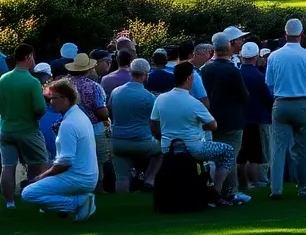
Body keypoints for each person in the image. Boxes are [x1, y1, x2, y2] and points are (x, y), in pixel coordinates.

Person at [150, 63, 242, 205]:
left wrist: (163, 138)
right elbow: (213, 125)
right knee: (228, 151)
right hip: (194, 148)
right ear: (189, 78)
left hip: (168, 147)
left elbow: (154, 124)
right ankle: (216, 191)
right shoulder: (193, 102)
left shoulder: (161, 99)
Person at [264, 18, 306, 199]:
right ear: (301, 35)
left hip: (281, 103)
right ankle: (304, 187)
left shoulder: (274, 56)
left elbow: (269, 82)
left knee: (278, 148)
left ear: (285, 35)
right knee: (304, 149)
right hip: (303, 103)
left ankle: (276, 188)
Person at [20, 80, 97, 221]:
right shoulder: (80, 116)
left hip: (78, 178)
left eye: (54, 98)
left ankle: (76, 204)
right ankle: (76, 201)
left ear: (65, 98)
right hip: (86, 175)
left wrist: (43, 176)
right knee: (42, 192)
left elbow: (65, 162)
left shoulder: (68, 124)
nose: (51, 102)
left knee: (29, 193)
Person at [201, 33, 248, 200]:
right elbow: (244, 96)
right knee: (230, 158)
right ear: (228, 47)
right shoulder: (231, 70)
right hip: (232, 119)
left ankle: (224, 190)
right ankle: (228, 191)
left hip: (212, 119)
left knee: (220, 158)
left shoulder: (205, 69)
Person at [0, 44, 49, 208]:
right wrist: (35, 117)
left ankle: (9, 202)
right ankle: (34, 198)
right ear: (28, 57)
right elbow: (40, 108)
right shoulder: (32, 82)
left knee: (8, 166)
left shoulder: (3, 79)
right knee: (39, 164)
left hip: (6, 128)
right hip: (27, 129)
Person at [109, 58, 162, 193]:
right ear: (145, 74)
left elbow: (109, 109)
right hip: (141, 142)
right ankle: (149, 179)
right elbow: (155, 121)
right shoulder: (149, 97)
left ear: (130, 72)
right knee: (163, 149)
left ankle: (121, 206)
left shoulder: (116, 92)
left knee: (121, 177)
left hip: (118, 142)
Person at [64, 53, 109, 191]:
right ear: (89, 69)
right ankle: (97, 189)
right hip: (93, 128)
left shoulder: (64, 85)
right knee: (97, 161)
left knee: (74, 162)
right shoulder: (93, 86)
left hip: (68, 128)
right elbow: (102, 112)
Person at [237, 42, 273, 192]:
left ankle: (243, 184)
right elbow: (268, 99)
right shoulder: (259, 76)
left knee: (241, 156)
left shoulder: (237, 73)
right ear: (256, 56)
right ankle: (256, 183)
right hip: (257, 119)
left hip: (239, 120)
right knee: (256, 156)